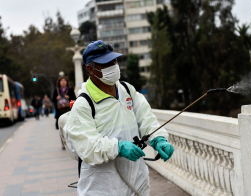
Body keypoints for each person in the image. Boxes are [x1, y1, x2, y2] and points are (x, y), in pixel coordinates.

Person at [64, 40, 174, 196]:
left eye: (114, 60)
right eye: (106, 63)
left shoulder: (127, 90)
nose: (114, 65)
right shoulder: (84, 104)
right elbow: (87, 147)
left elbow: (146, 119)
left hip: (137, 183)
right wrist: (118, 148)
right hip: (102, 188)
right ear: (90, 69)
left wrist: (158, 138)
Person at [52, 76, 76, 149]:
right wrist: (56, 98)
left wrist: (69, 97)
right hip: (59, 112)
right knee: (61, 128)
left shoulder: (70, 90)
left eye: (64, 81)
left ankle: (70, 142)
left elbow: (75, 99)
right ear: (59, 82)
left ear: (67, 82)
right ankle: (63, 143)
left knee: (69, 127)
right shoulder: (56, 91)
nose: (63, 82)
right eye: (61, 81)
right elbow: (52, 99)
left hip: (68, 111)